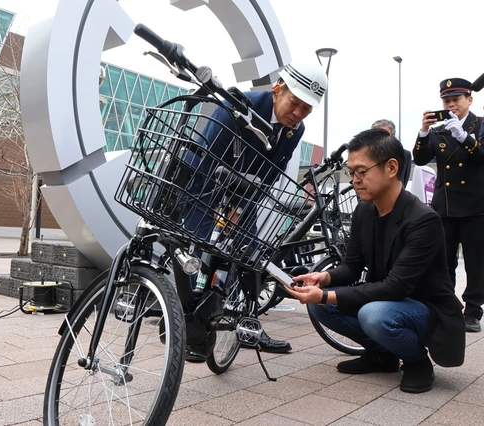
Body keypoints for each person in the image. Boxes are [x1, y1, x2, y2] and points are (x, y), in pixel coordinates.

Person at [286, 128, 465, 394]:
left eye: (362, 171)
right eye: (351, 173)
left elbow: (396, 287)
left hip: (427, 310)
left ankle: (417, 362)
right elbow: (352, 266)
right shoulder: (364, 210)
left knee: (373, 314)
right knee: (320, 306)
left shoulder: (423, 220)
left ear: (391, 167)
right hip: (388, 301)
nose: (355, 180)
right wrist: (324, 278)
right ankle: (382, 355)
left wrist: (325, 295)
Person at [183, 60, 328, 356]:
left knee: (251, 253)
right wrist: (216, 207)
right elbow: (207, 158)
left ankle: (248, 324)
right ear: (278, 88)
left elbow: (271, 172)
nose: (298, 114)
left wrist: (237, 207)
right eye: (295, 103)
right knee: (197, 249)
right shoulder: (237, 105)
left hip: (243, 189)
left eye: (307, 109)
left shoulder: (295, 129)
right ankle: (185, 322)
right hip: (202, 182)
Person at [412, 78, 484, 333]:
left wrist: (463, 137)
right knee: (443, 261)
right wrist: (423, 131)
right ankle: (446, 307)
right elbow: (420, 158)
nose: (451, 104)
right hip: (445, 207)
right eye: (446, 101)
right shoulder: (439, 131)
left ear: (469, 100)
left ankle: (473, 311)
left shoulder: (480, 125)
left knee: (476, 263)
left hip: (476, 206)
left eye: (456, 99)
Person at [371, 119, 412, 189]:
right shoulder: (366, 156)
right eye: (377, 135)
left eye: (385, 135)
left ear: (393, 136)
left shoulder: (405, 155)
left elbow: (403, 182)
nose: (381, 139)